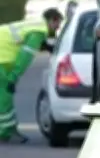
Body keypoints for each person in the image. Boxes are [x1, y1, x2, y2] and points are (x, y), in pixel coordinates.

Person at [0, 8, 64, 144]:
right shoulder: (39, 31)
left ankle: (9, 129)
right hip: (2, 60)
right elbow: (25, 56)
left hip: (3, 57)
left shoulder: (35, 24)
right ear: (53, 20)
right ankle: (5, 132)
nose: (57, 28)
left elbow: (22, 39)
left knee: (5, 97)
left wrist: (45, 46)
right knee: (4, 98)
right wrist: (14, 77)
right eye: (57, 24)